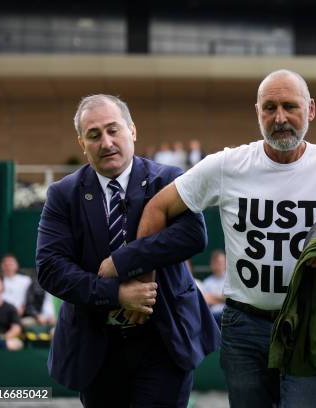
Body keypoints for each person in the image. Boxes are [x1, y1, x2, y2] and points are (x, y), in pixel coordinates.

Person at [131, 69, 316, 407]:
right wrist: (144, 281)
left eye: (290, 106)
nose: (280, 118)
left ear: (310, 109)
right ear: (257, 112)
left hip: (309, 322)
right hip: (244, 324)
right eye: (269, 108)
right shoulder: (229, 165)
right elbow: (158, 207)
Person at [36, 94, 220, 407]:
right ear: (82, 143)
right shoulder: (62, 194)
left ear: (132, 131)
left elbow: (192, 235)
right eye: (94, 135)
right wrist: (115, 293)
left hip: (164, 340)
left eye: (113, 130)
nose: (106, 142)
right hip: (96, 347)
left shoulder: (169, 179)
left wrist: (120, 262)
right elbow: (50, 269)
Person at [202, 250, 227, 325]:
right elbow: (206, 301)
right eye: (215, 262)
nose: (218, 265)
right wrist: (222, 298)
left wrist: (213, 297)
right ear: (212, 264)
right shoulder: (207, 282)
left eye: (220, 262)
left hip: (228, 316)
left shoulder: (231, 280)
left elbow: (232, 300)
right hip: (211, 317)